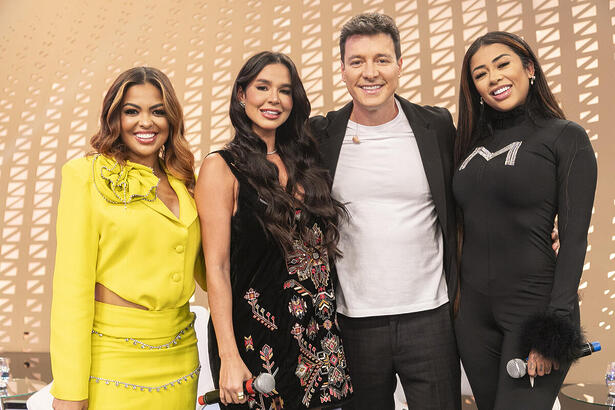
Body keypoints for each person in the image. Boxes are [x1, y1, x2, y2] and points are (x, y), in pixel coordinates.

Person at [310, 13, 460, 410]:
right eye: (357, 61)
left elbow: (472, 193)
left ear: (399, 64)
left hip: (430, 315)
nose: (369, 72)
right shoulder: (321, 135)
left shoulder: (437, 126)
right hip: (354, 321)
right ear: (342, 70)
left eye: (381, 59)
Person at [195, 51, 353, 409]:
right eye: (262, 87)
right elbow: (216, 269)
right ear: (241, 95)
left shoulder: (307, 163)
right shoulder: (221, 167)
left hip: (322, 340)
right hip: (257, 346)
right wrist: (229, 356)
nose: (273, 99)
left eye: (284, 90)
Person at [453, 31, 597, 409]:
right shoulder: (467, 144)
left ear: (529, 68)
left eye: (503, 65)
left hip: (532, 310)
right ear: (476, 88)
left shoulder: (566, 137)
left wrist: (551, 332)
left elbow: (574, 239)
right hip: (473, 317)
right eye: (480, 74)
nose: (494, 78)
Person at [50, 67, 205, 410]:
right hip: (112, 361)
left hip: (180, 357)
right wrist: (69, 392)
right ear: (114, 118)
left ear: (172, 119)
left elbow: (212, 271)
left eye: (158, 111)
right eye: (131, 111)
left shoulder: (189, 181)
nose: (145, 122)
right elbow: (71, 291)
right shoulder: (84, 177)